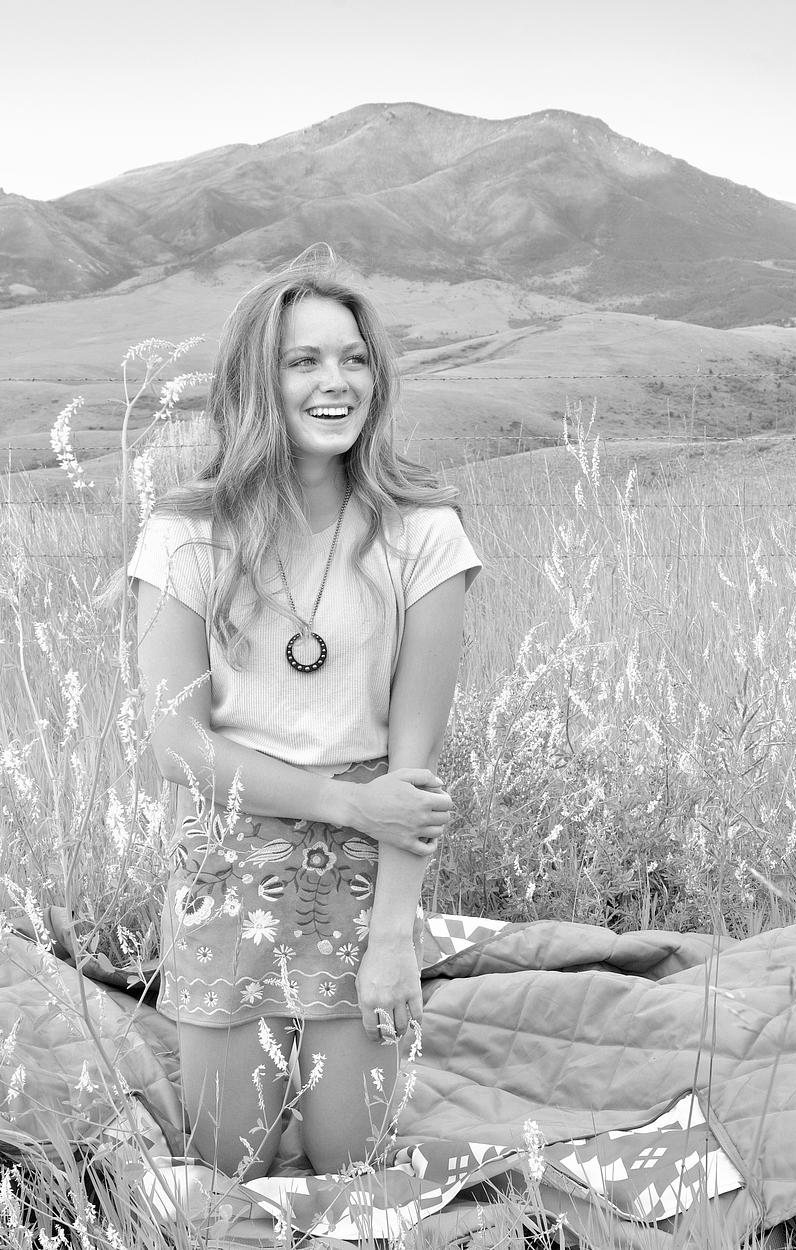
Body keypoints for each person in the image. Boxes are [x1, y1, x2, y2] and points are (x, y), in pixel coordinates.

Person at [127, 248, 481, 1182]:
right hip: (225, 870)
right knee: (229, 1165)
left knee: (347, 1166)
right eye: (304, 361)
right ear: (258, 382)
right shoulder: (186, 532)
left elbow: (412, 777)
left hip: (367, 880)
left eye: (355, 358)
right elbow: (175, 744)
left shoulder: (424, 531)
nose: (337, 382)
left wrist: (395, 939)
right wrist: (344, 801)